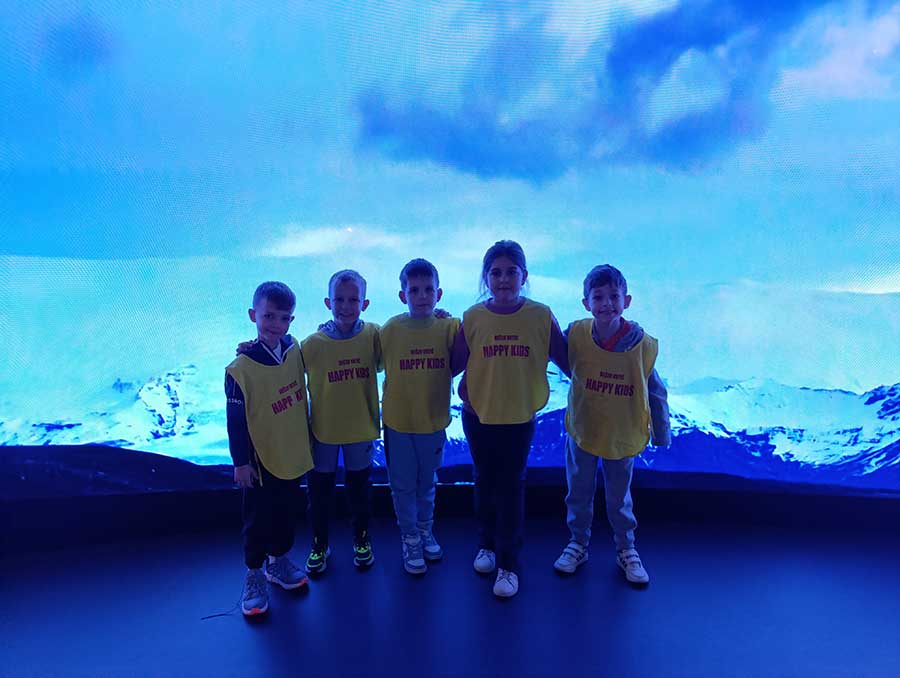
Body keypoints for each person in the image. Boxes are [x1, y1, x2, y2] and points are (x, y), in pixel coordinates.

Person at [451, 240, 568, 598]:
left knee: (511, 486)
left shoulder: (540, 315)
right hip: (477, 415)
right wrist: (435, 324)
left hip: (518, 417)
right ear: (486, 277)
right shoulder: (473, 317)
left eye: (511, 272)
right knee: (484, 480)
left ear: (524, 276)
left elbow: (569, 360)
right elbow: (453, 363)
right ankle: (486, 545)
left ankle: (508, 564)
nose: (503, 279)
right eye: (496, 272)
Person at [552, 264, 670, 584]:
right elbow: (548, 347)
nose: (606, 304)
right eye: (598, 297)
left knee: (619, 498)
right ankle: (578, 543)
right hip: (584, 430)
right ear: (586, 303)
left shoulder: (642, 345)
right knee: (578, 492)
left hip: (622, 432)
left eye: (614, 296)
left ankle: (626, 548)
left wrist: (661, 432)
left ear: (626, 300)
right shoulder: (576, 335)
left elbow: (655, 389)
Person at [225, 281, 314, 616]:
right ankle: (254, 572)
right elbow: (235, 422)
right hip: (260, 459)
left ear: (292, 320)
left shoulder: (294, 349)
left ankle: (278, 562)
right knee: (257, 516)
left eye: (284, 318)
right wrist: (241, 462)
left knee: (287, 509)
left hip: (291, 451)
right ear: (253, 315)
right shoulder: (239, 369)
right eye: (268, 316)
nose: (276, 324)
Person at [380, 259, 460, 575]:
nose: (422, 296)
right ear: (403, 295)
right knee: (402, 485)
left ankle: (425, 529)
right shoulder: (390, 330)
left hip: (433, 421)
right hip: (398, 423)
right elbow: (364, 355)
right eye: (414, 290)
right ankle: (409, 536)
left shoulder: (449, 327)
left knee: (427, 482)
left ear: (439, 293)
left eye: (428, 289)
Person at [301, 269, 381, 574]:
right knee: (319, 493)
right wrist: (251, 349)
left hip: (361, 429)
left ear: (365, 303)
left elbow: (405, 343)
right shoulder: (311, 344)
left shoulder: (374, 336)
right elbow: (281, 365)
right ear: (328, 302)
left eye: (353, 300)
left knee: (359, 491)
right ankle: (319, 543)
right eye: (339, 299)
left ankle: (362, 538)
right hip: (323, 431)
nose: (346, 306)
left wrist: (437, 318)